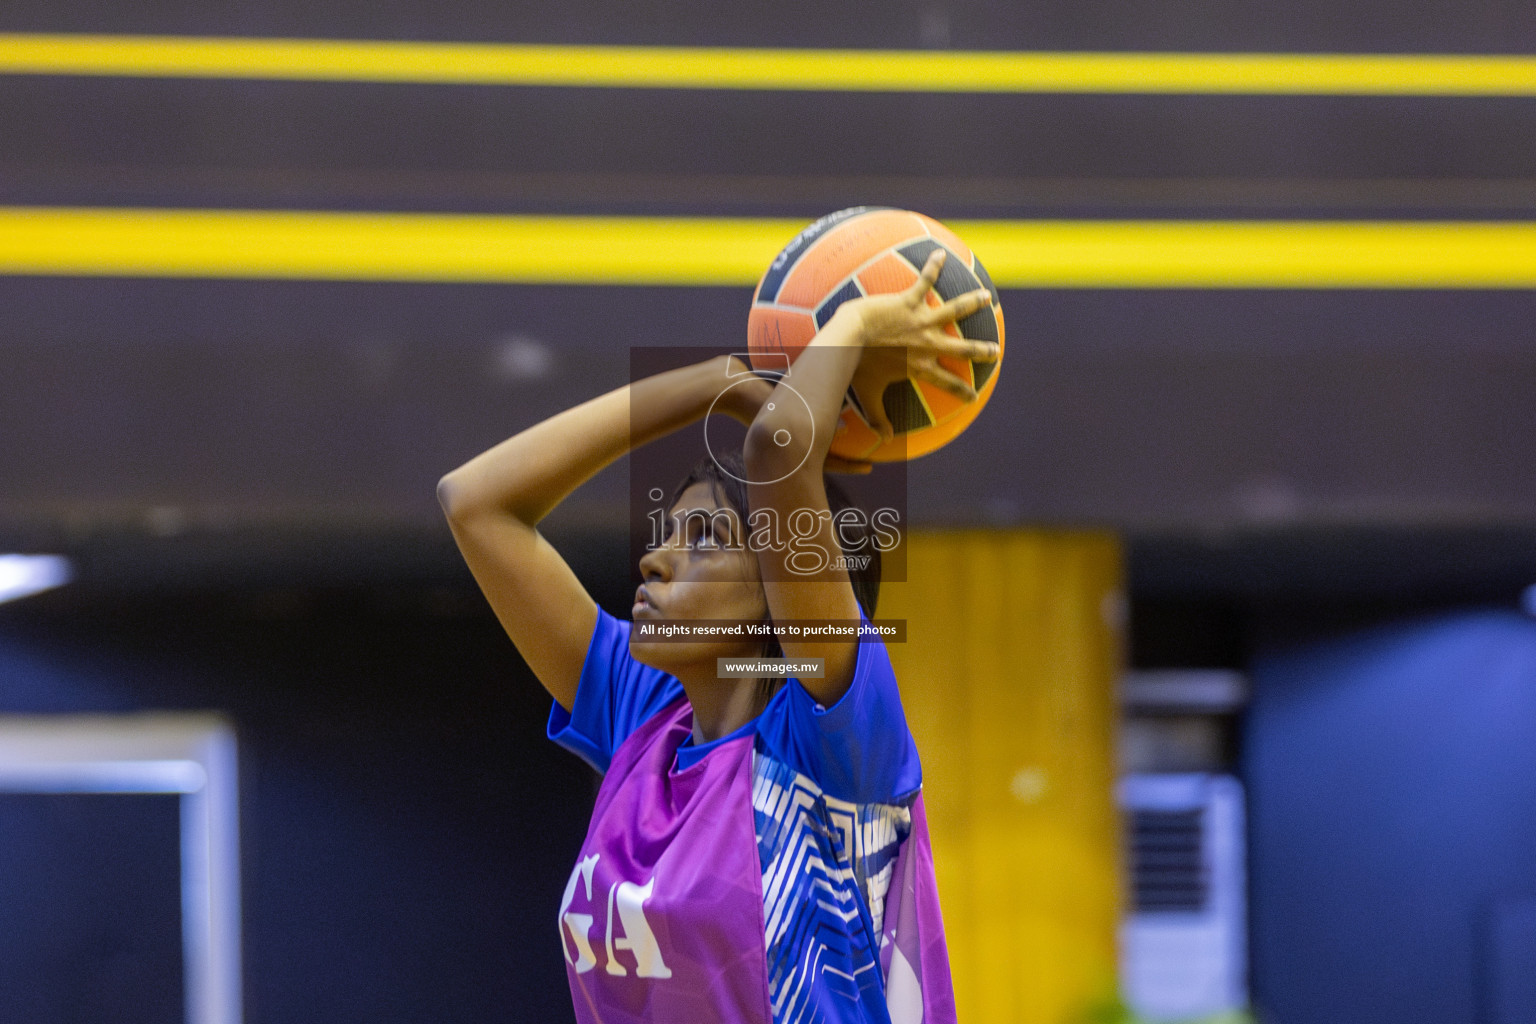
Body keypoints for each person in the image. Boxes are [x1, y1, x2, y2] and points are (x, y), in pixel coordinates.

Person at [438, 251, 996, 1023]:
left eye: (704, 536)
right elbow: (476, 504)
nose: (655, 557)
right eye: (666, 532)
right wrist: (713, 383)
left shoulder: (830, 740)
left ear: (781, 589)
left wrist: (858, 319)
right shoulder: (644, 719)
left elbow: (776, 451)